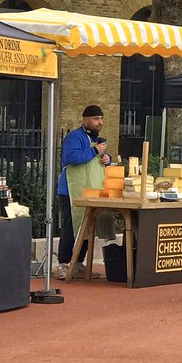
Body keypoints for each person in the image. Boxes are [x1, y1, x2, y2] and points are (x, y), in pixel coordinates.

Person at [54, 105, 111, 280]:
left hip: (90, 189)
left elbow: (98, 162)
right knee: (70, 226)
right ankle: (63, 263)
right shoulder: (74, 137)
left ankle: (78, 263)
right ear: (85, 119)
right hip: (71, 190)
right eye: (96, 119)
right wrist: (95, 151)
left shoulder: (98, 141)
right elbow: (72, 158)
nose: (99, 122)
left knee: (86, 227)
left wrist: (108, 160)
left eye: (101, 119)